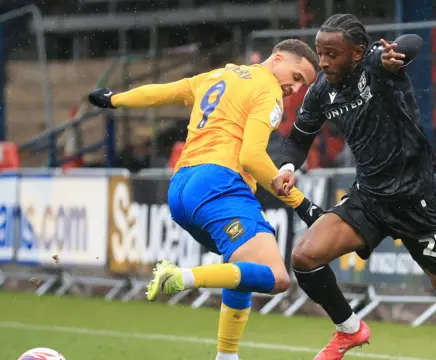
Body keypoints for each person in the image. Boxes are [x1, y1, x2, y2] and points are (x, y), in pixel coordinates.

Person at [271, 14, 436, 360]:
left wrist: (394, 55)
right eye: (320, 53)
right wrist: (289, 167)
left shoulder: (376, 64)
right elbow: (298, 138)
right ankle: (350, 330)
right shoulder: (321, 92)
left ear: (357, 52)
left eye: (331, 54)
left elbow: (413, 42)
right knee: (304, 256)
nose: (323, 62)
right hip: (369, 198)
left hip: (417, 200)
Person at [88, 39, 324, 360]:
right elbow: (252, 155)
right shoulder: (267, 90)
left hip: (182, 189)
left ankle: (227, 355)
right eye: (296, 77)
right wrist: (300, 203)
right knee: (277, 277)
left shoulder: (216, 77)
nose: (295, 88)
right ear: (278, 58)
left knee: (240, 265)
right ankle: (182, 277)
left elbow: (161, 92)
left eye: (303, 85)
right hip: (221, 184)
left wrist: (115, 99)